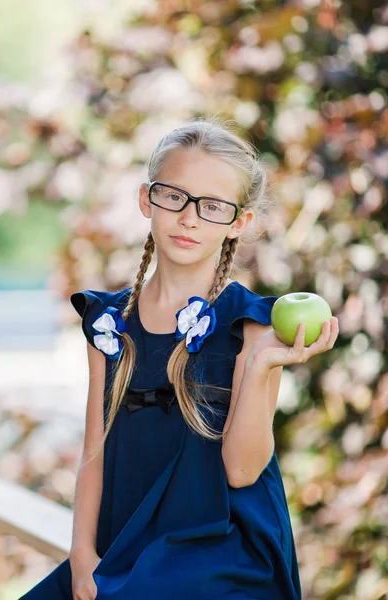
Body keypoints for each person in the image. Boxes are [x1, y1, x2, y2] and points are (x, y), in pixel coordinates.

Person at [19, 116, 338, 600]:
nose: (190, 218)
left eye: (212, 207)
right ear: (147, 199)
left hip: (220, 552)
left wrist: (258, 369)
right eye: (175, 197)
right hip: (125, 545)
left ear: (239, 223)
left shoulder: (252, 324)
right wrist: (82, 557)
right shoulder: (108, 324)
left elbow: (242, 471)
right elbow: (94, 452)